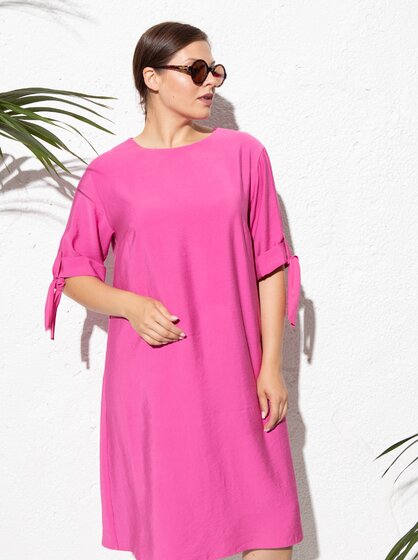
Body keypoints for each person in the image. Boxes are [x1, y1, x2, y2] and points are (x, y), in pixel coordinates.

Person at [44, 21, 303, 560]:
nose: (211, 83)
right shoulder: (109, 174)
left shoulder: (244, 154)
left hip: (240, 373)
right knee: (174, 537)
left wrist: (271, 366)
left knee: (269, 532)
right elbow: (74, 271)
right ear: (152, 78)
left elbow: (270, 263)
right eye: (197, 70)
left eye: (216, 71)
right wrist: (129, 304)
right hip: (157, 384)